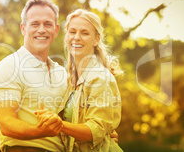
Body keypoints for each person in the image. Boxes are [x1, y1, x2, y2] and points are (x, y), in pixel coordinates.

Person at [36, 9, 123, 152]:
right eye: (72, 32)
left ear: (96, 39)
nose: (77, 37)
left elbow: (96, 130)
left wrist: (60, 124)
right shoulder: (69, 79)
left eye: (85, 33)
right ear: (66, 36)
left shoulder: (100, 78)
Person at [0, 0, 66, 152]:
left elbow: (70, 118)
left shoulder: (62, 72)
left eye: (48, 24)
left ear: (56, 30)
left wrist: (99, 132)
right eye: (35, 24)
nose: (42, 29)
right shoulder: (9, 66)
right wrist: (40, 131)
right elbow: (6, 123)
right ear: (23, 28)